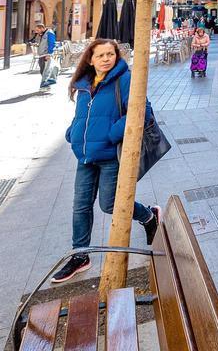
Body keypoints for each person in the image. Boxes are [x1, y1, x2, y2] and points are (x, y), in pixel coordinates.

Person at [50, 39, 161, 283]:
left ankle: (148, 216)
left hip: (110, 155)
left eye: (110, 54)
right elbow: (82, 115)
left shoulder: (124, 79)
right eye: (100, 55)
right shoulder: (84, 83)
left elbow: (142, 111)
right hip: (85, 156)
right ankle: (80, 255)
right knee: (80, 206)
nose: (106, 59)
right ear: (90, 59)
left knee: (110, 204)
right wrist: (73, 133)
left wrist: (111, 135)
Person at [33, 20, 57, 87]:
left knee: (45, 70)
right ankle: (46, 83)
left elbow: (52, 44)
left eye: (38, 30)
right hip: (42, 55)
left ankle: (46, 83)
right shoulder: (43, 34)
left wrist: (49, 54)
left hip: (46, 55)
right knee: (42, 70)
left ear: (42, 28)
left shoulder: (49, 33)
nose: (37, 32)